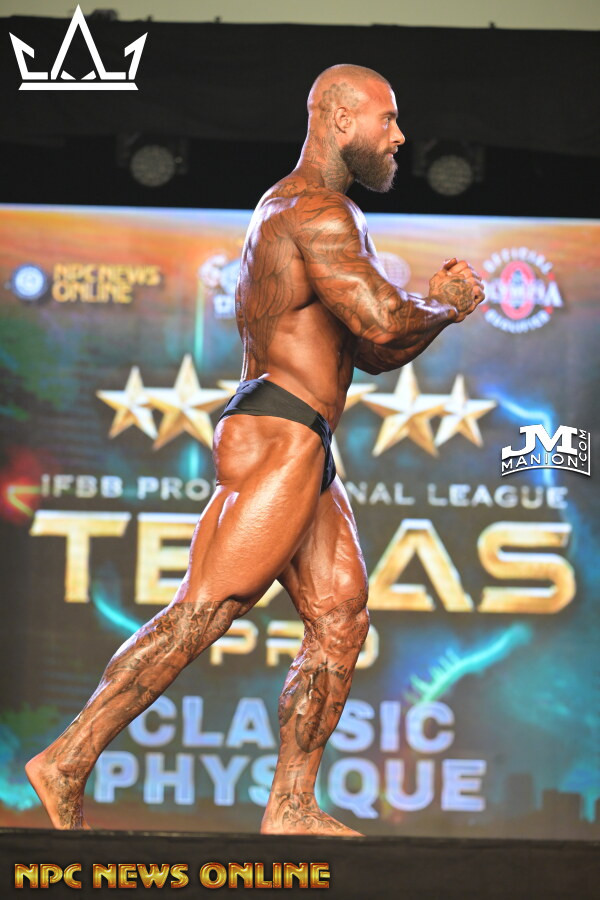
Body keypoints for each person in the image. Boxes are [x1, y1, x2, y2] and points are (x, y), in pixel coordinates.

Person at [25, 63, 484, 836]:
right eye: (388, 120)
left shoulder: (313, 213)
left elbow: (371, 351)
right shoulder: (314, 211)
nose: (400, 137)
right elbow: (382, 319)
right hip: (280, 433)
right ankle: (66, 760)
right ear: (340, 119)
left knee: (340, 618)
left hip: (305, 438)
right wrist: (443, 302)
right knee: (205, 611)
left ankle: (292, 805)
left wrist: (435, 313)